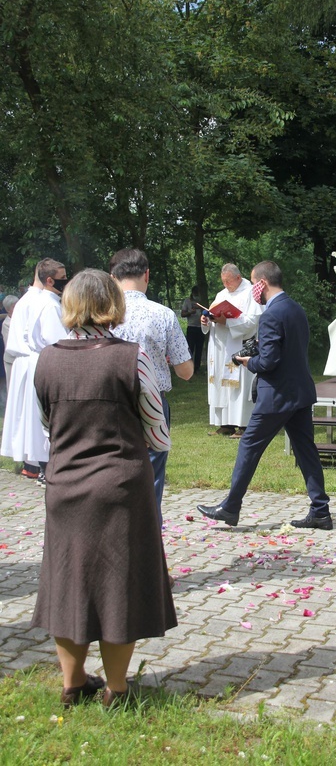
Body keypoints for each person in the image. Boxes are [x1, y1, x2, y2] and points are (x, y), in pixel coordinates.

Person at [32, 269, 177, 707]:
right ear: (112, 304)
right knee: (120, 589)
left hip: (65, 488)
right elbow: (158, 433)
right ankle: (116, 690)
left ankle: (72, 685)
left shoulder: (46, 360)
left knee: (68, 586)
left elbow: (48, 427)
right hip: (120, 491)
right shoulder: (131, 357)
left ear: (70, 305)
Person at [197, 260, 332, 529]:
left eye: (253, 283)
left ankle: (231, 507)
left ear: (262, 283)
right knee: (306, 451)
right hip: (300, 392)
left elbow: (269, 361)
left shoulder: (271, 314)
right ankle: (320, 510)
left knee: (249, 445)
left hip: (277, 395)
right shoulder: (295, 308)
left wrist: (248, 361)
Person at [109, 249, 193, 524]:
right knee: (152, 478)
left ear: (112, 278)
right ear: (147, 275)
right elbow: (186, 371)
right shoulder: (164, 315)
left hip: (110, 404)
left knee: (111, 474)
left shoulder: (100, 315)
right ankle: (148, 546)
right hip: (153, 404)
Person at [1, 259, 67, 484]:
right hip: (37, 360)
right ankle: (42, 465)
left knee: (28, 418)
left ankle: (33, 464)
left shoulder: (25, 301)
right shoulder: (45, 303)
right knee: (38, 419)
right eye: (62, 277)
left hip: (24, 362)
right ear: (49, 279)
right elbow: (56, 339)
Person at [203, 263, 263, 438]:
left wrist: (226, 322)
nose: (225, 286)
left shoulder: (250, 293)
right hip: (220, 347)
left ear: (238, 278)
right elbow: (213, 315)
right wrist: (207, 320)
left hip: (239, 344)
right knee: (221, 385)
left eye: (228, 282)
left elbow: (252, 321)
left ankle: (244, 426)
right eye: (223, 282)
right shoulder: (221, 295)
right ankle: (225, 424)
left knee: (239, 387)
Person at [181, 285, 205, 373]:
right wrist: (190, 312)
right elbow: (182, 314)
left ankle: (197, 368)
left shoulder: (202, 302)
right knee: (190, 348)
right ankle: (189, 367)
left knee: (199, 348)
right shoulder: (187, 301)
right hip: (191, 327)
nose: (197, 295)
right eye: (196, 293)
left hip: (201, 328)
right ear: (193, 293)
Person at [2, 294, 19, 393]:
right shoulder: (6, 324)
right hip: (11, 361)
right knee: (12, 389)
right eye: (14, 306)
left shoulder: (20, 320)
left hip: (20, 360)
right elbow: (10, 345)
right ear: (8, 309)